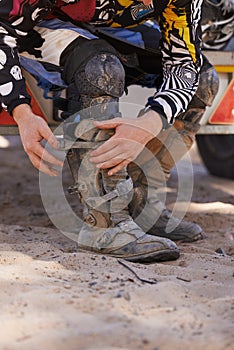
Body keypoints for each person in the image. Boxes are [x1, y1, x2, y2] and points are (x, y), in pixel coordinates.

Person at [0, 0, 219, 263]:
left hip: (97, 21)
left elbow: (184, 66)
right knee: (99, 69)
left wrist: (151, 122)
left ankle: (141, 205)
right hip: (31, 23)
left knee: (203, 80)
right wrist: (21, 111)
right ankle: (103, 224)